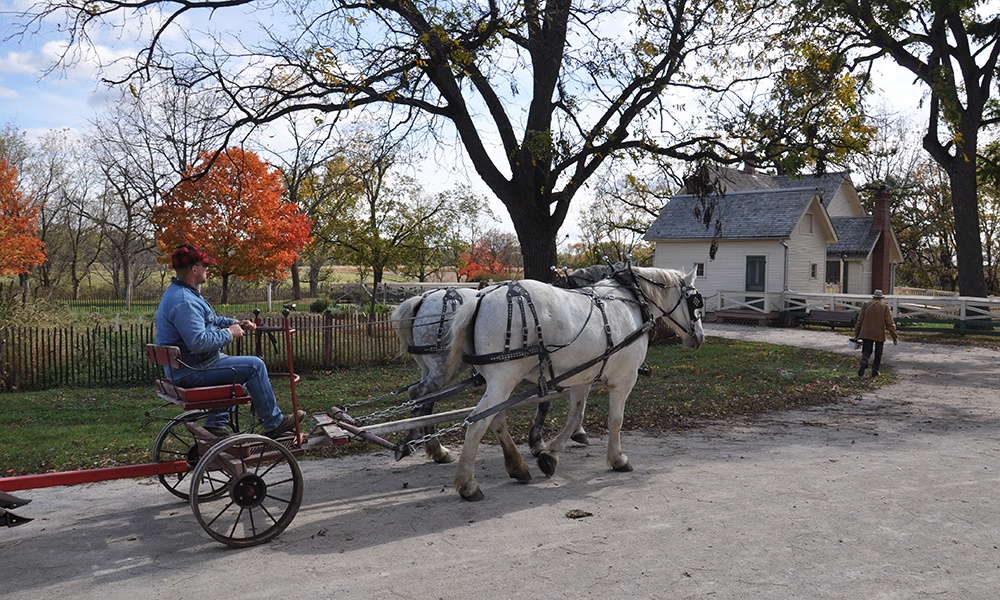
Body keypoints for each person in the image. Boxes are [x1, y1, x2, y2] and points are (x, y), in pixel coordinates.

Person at [155, 244, 302, 438]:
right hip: (192, 371)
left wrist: (234, 323)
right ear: (194, 269)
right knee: (254, 366)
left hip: (187, 367)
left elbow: (208, 321)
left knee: (233, 366)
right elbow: (198, 342)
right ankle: (273, 423)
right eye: (205, 265)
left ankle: (216, 423)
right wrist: (229, 333)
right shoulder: (185, 301)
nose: (208, 269)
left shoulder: (182, 293)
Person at [853, 289, 899, 378]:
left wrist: (856, 332)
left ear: (873, 296)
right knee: (878, 353)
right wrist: (894, 337)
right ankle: (875, 371)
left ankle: (864, 361)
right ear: (881, 297)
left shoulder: (866, 304)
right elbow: (890, 323)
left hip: (866, 331)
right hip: (879, 333)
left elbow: (860, 320)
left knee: (866, 350)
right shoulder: (884, 306)